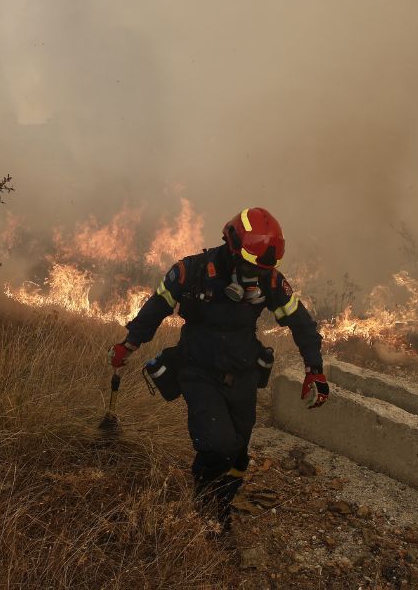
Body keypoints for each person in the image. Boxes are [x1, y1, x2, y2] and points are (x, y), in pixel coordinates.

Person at [109, 207, 329, 534]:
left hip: (243, 376)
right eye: (250, 268)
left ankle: (221, 506)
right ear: (231, 247)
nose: (255, 277)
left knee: (238, 456)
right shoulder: (191, 271)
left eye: (262, 269)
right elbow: (156, 307)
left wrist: (315, 369)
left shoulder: (269, 279)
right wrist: (128, 344)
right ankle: (202, 499)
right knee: (218, 444)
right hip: (198, 372)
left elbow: (302, 324)